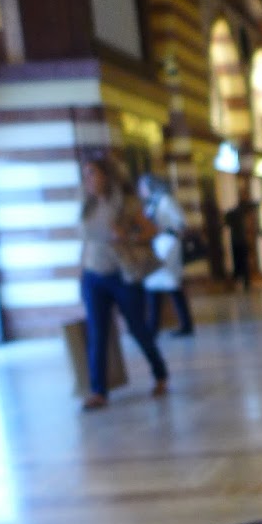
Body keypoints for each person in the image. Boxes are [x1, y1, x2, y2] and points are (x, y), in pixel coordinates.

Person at [78, 154, 168, 411]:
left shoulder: (125, 204)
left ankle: (160, 373)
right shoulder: (87, 206)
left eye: (93, 173)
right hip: (93, 276)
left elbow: (152, 230)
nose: (89, 180)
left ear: (106, 175)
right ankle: (99, 391)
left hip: (122, 275)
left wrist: (126, 234)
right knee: (97, 333)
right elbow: (85, 243)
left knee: (137, 327)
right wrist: (80, 274)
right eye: (86, 175)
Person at [138, 173, 194, 337]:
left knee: (171, 284)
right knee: (154, 285)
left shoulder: (165, 200)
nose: (140, 190)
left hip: (168, 246)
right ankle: (153, 326)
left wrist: (164, 229)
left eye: (142, 187)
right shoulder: (152, 203)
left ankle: (184, 324)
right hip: (157, 246)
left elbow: (180, 224)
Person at [224, 195, 256, 290]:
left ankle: (242, 281)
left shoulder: (235, 213)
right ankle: (243, 281)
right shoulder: (239, 214)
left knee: (239, 262)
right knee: (242, 262)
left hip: (237, 241)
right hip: (239, 241)